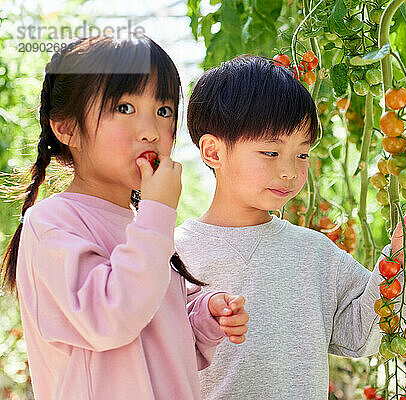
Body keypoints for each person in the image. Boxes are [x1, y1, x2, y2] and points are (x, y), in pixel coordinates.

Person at [175, 55, 406, 399]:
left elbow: (362, 335)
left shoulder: (315, 253)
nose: (289, 171)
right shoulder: (174, 253)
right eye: (270, 152)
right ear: (213, 152)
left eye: (301, 155)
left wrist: (405, 262)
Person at [0, 36, 249, 400]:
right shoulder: (52, 223)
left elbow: (159, 338)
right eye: (124, 108)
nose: (150, 131)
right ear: (66, 127)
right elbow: (111, 320)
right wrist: (157, 215)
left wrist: (204, 316)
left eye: (163, 111)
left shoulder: (145, 226)